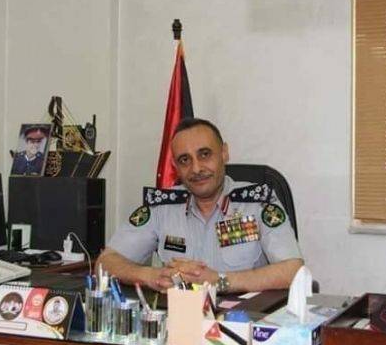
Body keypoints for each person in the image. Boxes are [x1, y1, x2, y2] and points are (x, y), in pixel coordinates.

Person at [97, 118, 303, 293]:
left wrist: (219, 281)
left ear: (224, 153)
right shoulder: (162, 207)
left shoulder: (258, 203)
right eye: (184, 160)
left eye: (205, 154)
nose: (196, 168)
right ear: (175, 167)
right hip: (179, 319)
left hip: (241, 320)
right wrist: (151, 276)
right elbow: (106, 262)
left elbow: (293, 271)